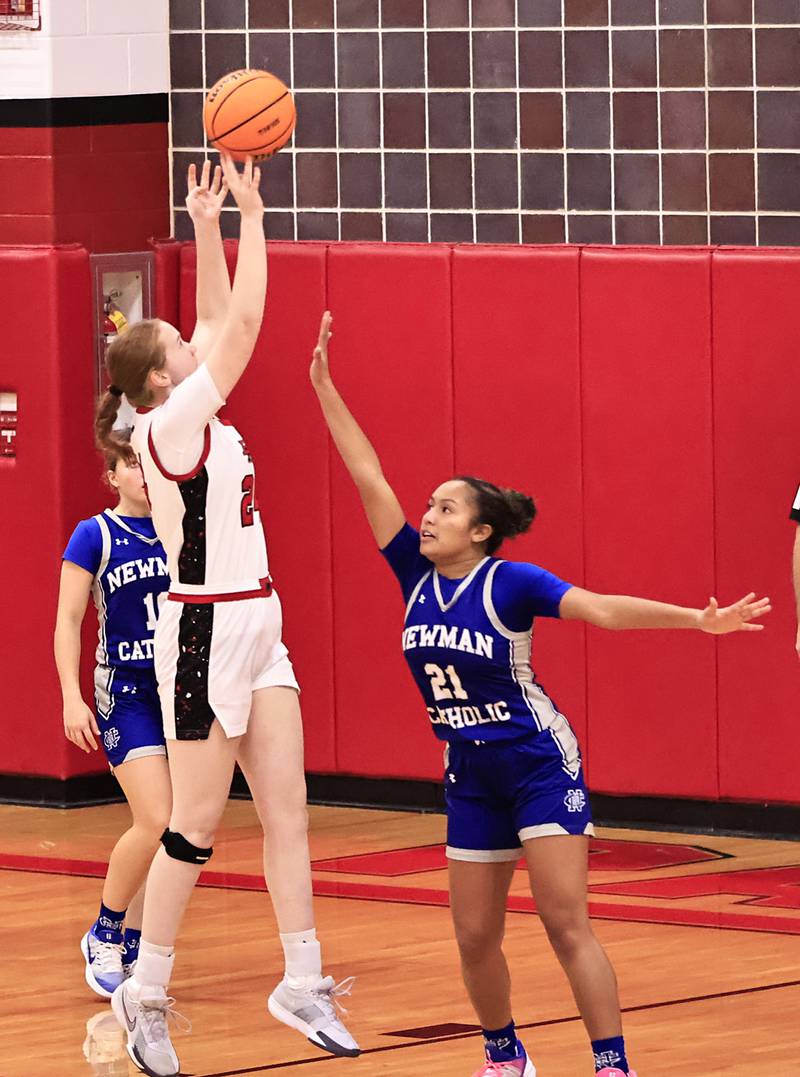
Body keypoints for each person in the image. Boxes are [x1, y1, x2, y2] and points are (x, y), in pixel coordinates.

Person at [309, 310, 771, 1077]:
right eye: (429, 506)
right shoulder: (413, 576)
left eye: (447, 508)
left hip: (535, 761)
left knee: (565, 922)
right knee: (472, 936)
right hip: (470, 769)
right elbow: (369, 475)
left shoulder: (511, 583)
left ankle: (611, 1063)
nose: (427, 515)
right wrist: (325, 387)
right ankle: (504, 1056)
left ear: (483, 531)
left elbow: (602, 609)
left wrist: (699, 619)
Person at [97, 159, 358, 1077]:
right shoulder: (167, 428)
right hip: (203, 630)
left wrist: (206, 224)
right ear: (159, 380)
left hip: (260, 621)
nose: (191, 345)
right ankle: (146, 991)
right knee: (196, 827)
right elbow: (241, 324)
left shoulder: (181, 400)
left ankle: (302, 977)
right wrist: (253, 212)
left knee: (288, 811)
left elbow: (211, 320)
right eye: (177, 346)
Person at [54, 441, 172, 998]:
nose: (145, 473)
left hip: (181, 689)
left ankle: (137, 940)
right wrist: (70, 698)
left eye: (151, 463)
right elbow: (69, 619)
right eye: (132, 464)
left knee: (175, 829)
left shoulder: (183, 527)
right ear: (112, 475)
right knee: (155, 816)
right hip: (125, 690)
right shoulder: (94, 534)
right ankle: (104, 929)